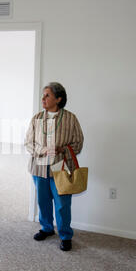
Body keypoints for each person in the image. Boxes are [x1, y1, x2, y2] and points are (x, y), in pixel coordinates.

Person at [25, 82, 84, 251]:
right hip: (39, 167)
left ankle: (65, 235)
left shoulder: (70, 118)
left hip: (61, 168)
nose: (43, 98)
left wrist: (62, 149)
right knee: (43, 202)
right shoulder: (36, 118)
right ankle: (47, 228)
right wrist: (42, 150)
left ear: (58, 99)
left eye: (47, 95)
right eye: (43, 95)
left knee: (62, 204)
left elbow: (78, 143)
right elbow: (28, 143)